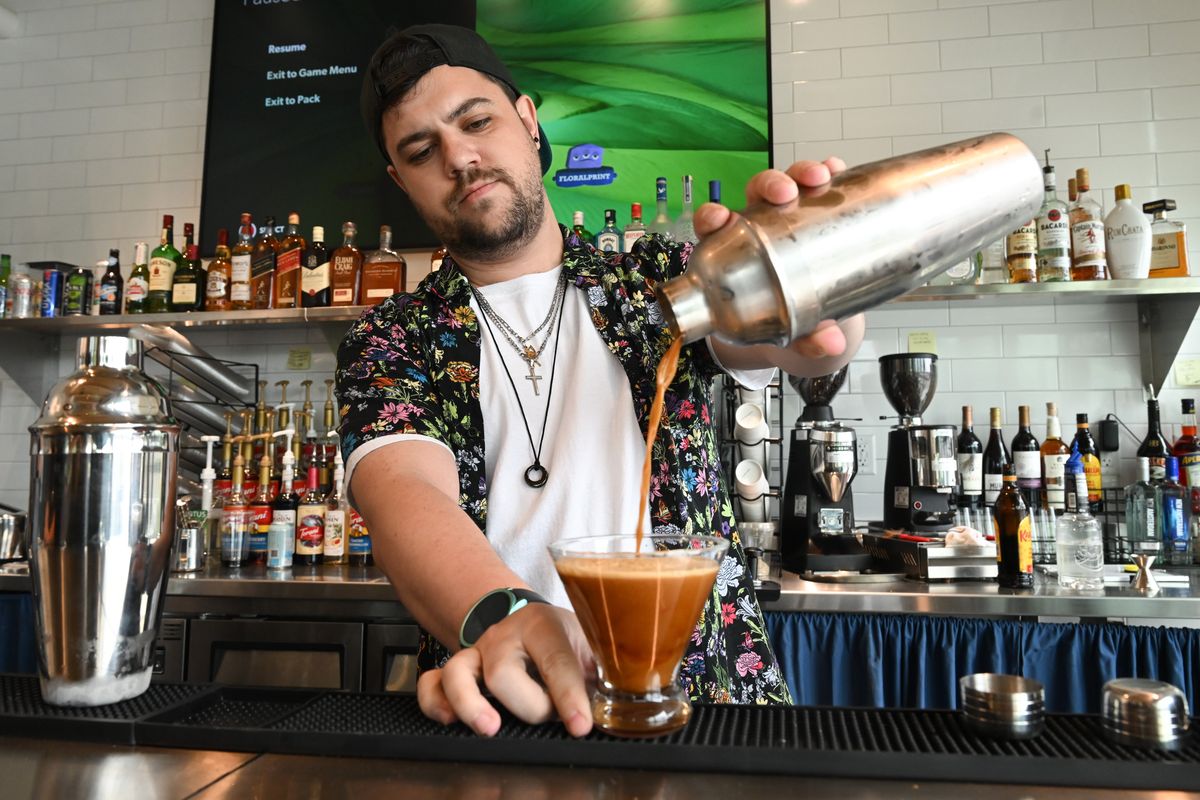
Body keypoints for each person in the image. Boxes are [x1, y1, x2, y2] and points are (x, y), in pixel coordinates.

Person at [338, 23, 865, 737]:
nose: (459, 157)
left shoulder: (658, 280)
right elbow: (401, 492)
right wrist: (509, 615)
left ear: (528, 121)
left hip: (709, 703)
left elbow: (786, 344)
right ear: (402, 181)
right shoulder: (390, 337)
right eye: (421, 151)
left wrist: (822, 299)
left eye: (477, 122)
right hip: (505, 702)